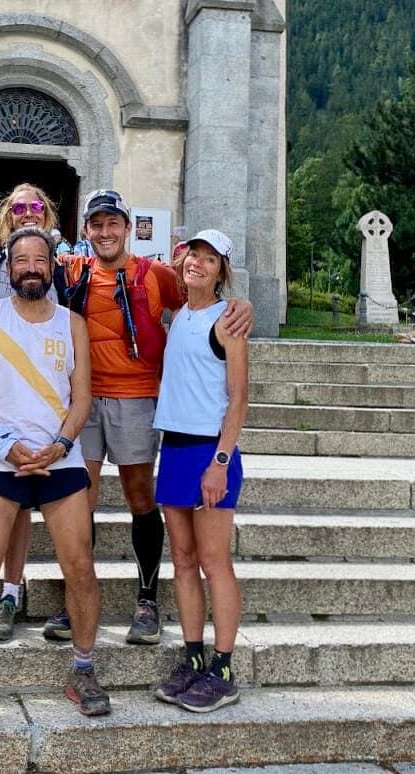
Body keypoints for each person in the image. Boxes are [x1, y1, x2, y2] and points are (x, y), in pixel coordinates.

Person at [47, 189, 253, 646]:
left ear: (126, 227)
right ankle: (76, 599)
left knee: (140, 496)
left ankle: (147, 600)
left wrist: (244, 304)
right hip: (83, 400)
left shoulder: (155, 274)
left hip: (136, 398)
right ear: (85, 231)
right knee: (80, 500)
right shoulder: (74, 271)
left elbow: (204, 296)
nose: (105, 232)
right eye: (96, 225)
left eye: (113, 223)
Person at [0, 226, 110, 722]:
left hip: (61, 457)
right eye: (21, 260)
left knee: (79, 565)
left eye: (40, 259)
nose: (31, 267)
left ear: (52, 266)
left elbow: (83, 397)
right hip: (0, 457)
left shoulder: (72, 323)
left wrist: (60, 444)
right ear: (8, 268)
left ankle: (83, 668)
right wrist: (4, 444)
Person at [0, 184, 68, 642]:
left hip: (41, 402)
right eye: (19, 207)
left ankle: (10, 591)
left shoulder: (65, 263)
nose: (28, 213)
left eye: (36, 207)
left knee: (23, 500)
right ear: (6, 215)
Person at [152, 229, 247, 713]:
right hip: (174, 448)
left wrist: (221, 464)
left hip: (212, 452)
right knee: (184, 561)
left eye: (210, 260)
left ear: (221, 271)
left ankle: (224, 669)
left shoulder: (227, 320)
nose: (199, 264)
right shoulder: (177, 313)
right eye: (194, 255)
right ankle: (192, 657)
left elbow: (239, 397)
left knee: (214, 562)